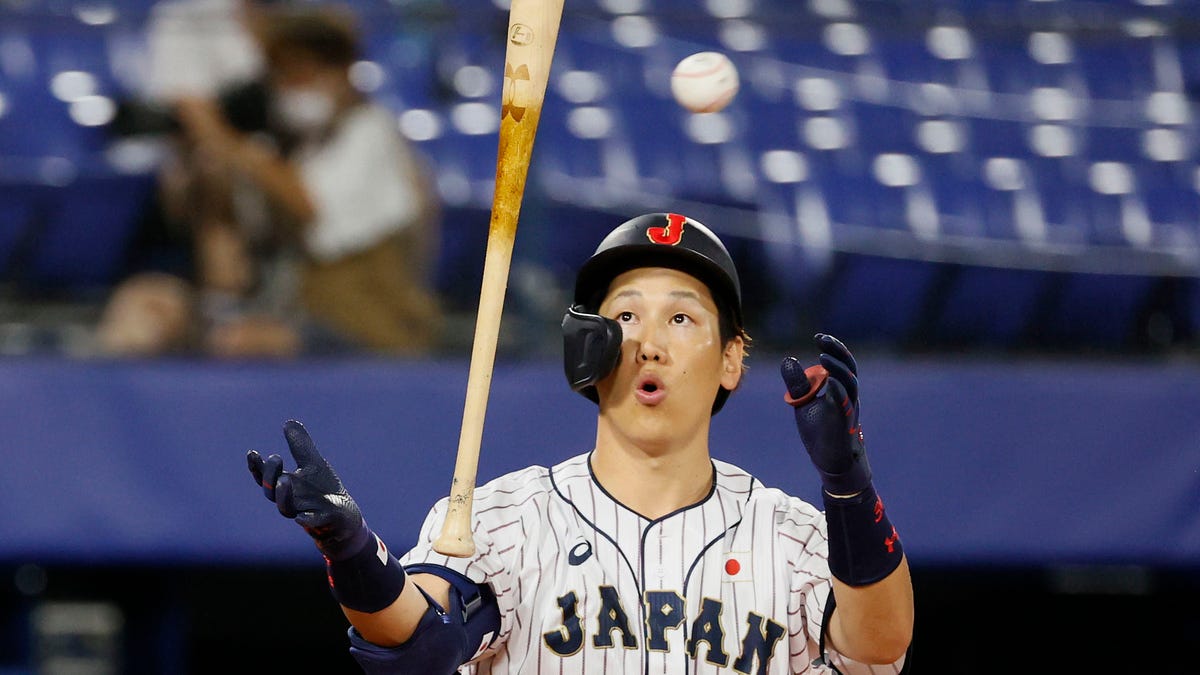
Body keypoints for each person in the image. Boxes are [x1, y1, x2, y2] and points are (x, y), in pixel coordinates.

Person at [247, 212, 914, 673]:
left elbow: (879, 645)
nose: (648, 341)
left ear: (733, 358)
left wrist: (849, 487)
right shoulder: (509, 518)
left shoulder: (793, 537)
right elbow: (420, 640)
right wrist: (354, 550)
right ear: (589, 347)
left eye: (681, 316)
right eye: (625, 315)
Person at [100, 6, 444, 358]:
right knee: (144, 313)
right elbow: (214, 235)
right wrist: (199, 160)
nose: (295, 86)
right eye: (285, 75)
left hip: (369, 327)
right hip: (293, 310)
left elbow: (307, 204)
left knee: (245, 343)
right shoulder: (289, 148)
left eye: (308, 71)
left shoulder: (370, 131)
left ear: (342, 71)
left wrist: (220, 136)